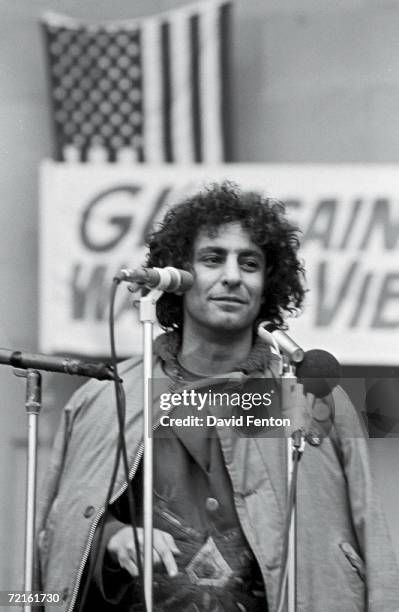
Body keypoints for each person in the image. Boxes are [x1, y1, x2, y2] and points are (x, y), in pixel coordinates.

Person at [36, 183, 399, 612]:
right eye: (213, 259)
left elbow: (372, 538)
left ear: (268, 285)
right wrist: (115, 537)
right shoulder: (102, 397)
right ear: (177, 277)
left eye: (250, 263)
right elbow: (56, 530)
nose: (232, 275)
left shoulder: (313, 395)